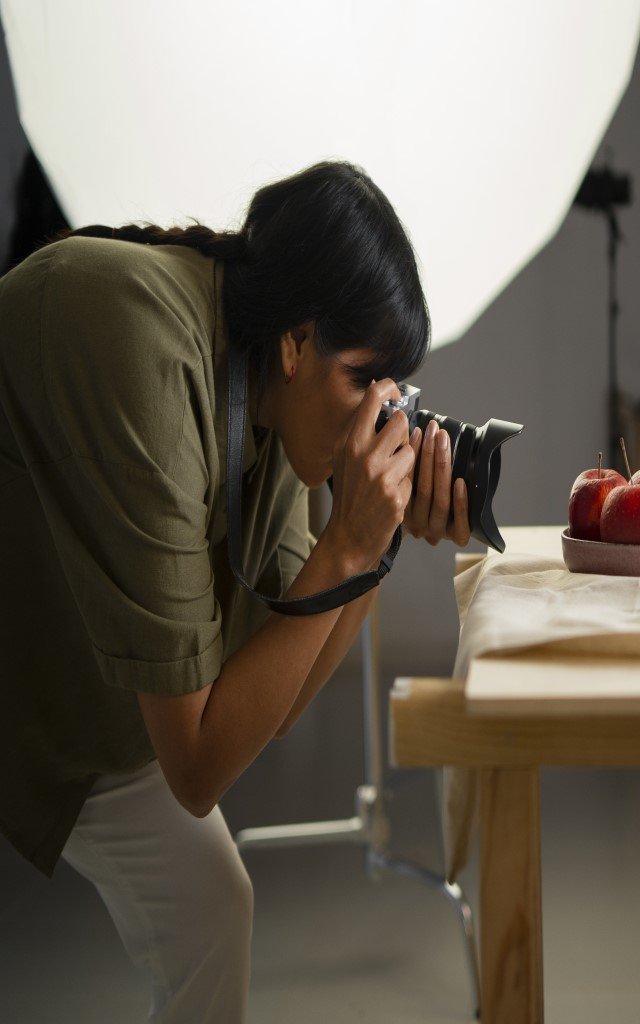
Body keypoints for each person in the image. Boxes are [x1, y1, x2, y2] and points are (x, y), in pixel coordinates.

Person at [0, 160, 470, 1022]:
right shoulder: (138, 343)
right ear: (297, 342)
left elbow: (277, 697)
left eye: (391, 389)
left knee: (211, 906)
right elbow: (198, 765)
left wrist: (375, 543)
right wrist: (351, 540)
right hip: (33, 656)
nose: (380, 413)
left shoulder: (269, 398)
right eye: (364, 378)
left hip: (71, 666)